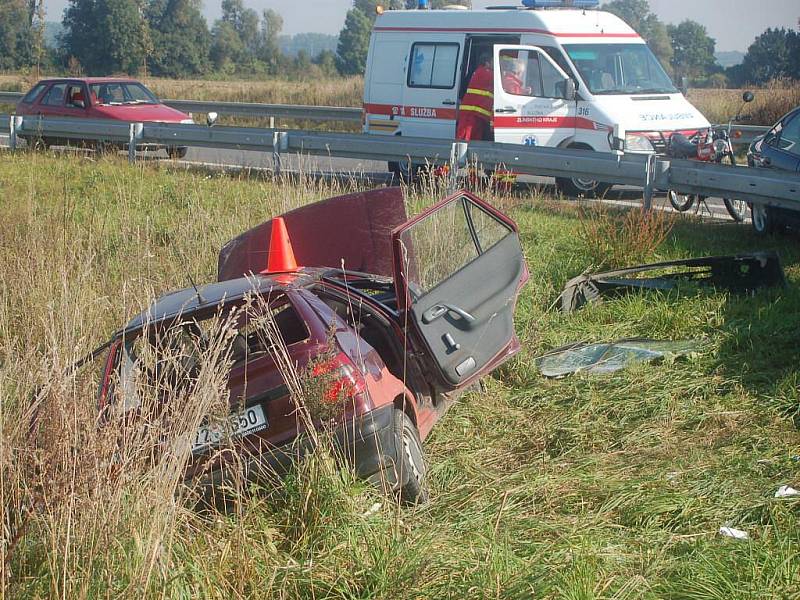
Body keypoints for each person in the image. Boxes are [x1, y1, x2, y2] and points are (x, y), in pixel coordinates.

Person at [456, 51, 494, 141]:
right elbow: (500, 80)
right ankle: (458, 155)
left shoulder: (482, 72)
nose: (494, 64)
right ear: (487, 63)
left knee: (475, 140)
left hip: (477, 114)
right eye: (493, 62)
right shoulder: (483, 72)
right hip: (470, 113)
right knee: (464, 139)